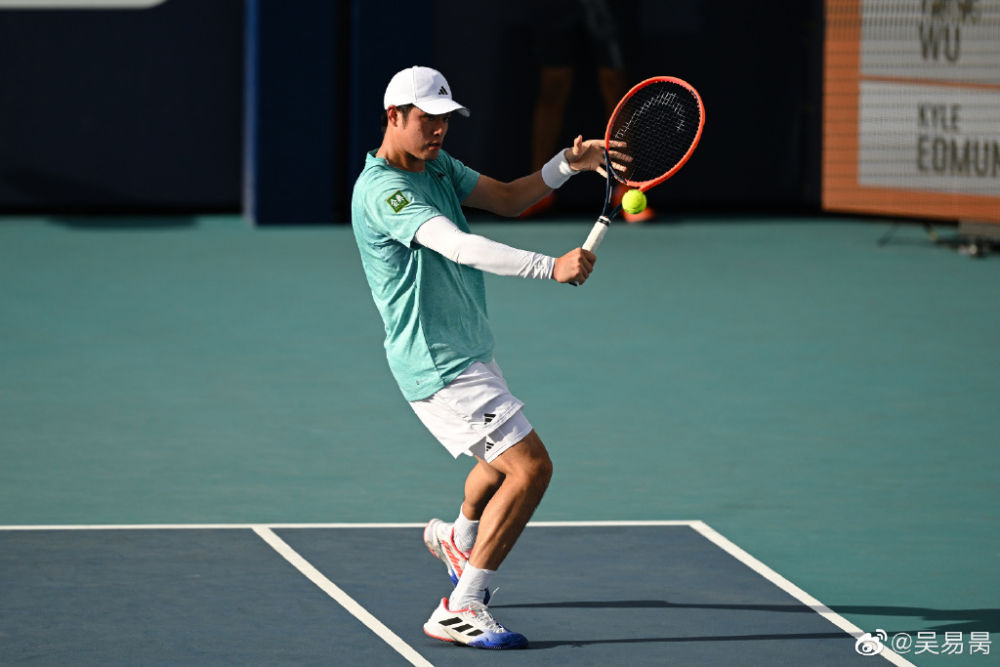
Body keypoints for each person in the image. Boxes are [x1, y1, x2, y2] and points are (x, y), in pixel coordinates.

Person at [350, 66, 610, 650]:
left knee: (496, 465)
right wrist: (549, 267)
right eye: (427, 119)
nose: (439, 130)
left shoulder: (437, 165)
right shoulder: (384, 192)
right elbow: (459, 246)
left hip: (468, 347)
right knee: (530, 468)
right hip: (437, 362)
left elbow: (510, 198)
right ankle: (460, 606)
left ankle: (458, 536)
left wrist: (568, 165)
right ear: (394, 116)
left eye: (445, 119)